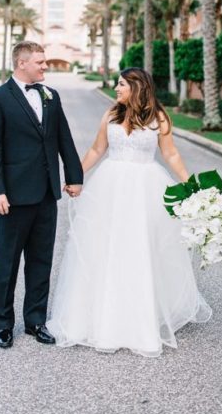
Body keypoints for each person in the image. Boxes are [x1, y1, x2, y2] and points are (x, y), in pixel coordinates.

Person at [46, 67, 211, 356]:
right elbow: (98, 149)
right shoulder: (111, 114)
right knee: (106, 248)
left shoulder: (159, 117)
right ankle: (101, 317)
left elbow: (170, 153)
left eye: (121, 84)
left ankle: (139, 319)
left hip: (145, 188)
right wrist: (76, 176)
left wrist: (191, 185)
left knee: (141, 250)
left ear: (137, 86)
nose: (116, 89)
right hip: (110, 187)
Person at [0, 40, 84, 349]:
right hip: (12, 197)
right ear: (22, 63)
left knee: (41, 260)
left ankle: (36, 321)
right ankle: (2, 324)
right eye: (40, 62)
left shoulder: (52, 96)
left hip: (46, 194)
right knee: (6, 262)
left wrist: (74, 176)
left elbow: (63, 137)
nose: (45, 66)